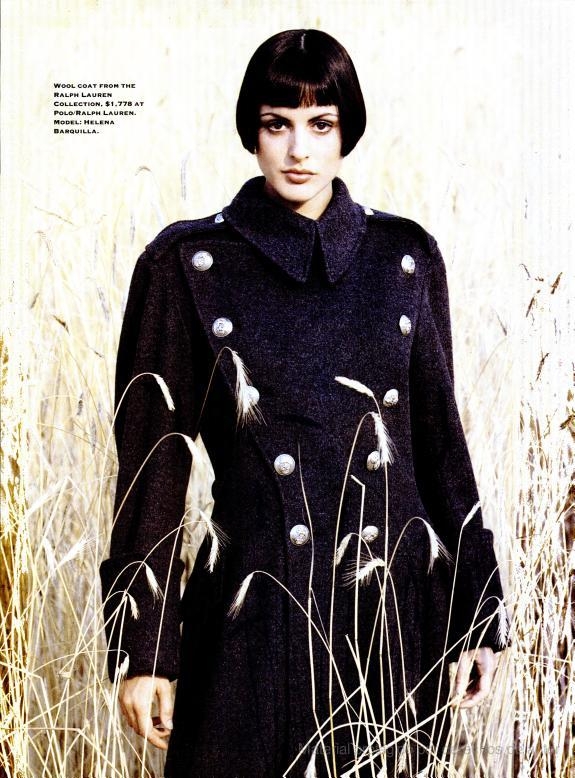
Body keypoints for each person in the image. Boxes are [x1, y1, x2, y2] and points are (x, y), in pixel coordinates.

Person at [100, 29, 507, 778]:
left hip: (389, 627)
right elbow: (152, 472)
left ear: (347, 130)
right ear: (250, 132)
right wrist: (143, 647)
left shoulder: (404, 257)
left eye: (320, 124)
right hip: (250, 623)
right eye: (276, 123)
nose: (298, 150)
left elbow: (440, 448)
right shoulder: (187, 263)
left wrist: (475, 615)